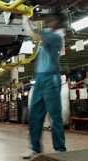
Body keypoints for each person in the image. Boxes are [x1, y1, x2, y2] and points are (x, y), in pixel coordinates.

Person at [22, 13, 67, 159]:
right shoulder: (49, 33)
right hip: (40, 79)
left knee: (54, 115)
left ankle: (60, 148)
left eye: (53, 20)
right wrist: (35, 16)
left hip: (51, 78)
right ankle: (35, 147)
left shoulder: (57, 36)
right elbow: (42, 24)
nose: (50, 22)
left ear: (60, 23)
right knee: (34, 115)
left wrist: (25, 20)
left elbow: (34, 34)